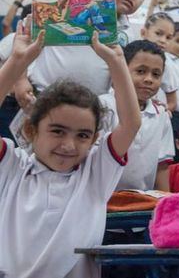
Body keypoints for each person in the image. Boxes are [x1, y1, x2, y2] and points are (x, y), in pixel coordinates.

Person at [0, 19, 141, 278]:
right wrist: (18, 60)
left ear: (94, 138)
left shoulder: (94, 174)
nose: (68, 145)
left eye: (83, 135)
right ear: (32, 130)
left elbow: (131, 124)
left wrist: (117, 61)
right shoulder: (12, 167)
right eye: (57, 131)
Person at [13, 0, 151, 108]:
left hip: (90, 109)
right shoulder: (58, 11)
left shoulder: (128, 34)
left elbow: (122, 76)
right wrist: (20, 80)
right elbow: (23, 46)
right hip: (41, 96)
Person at [99, 40, 174, 191]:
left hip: (142, 201)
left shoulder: (161, 115)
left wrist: (165, 204)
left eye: (156, 74)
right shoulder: (104, 106)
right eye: (140, 71)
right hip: (104, 198)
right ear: (122, 71)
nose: (149, 79)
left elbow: (162, 166)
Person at [140, 12, 178, 112]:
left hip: (149, 118)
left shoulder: (166, 66)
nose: (163, 40)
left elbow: (172, 103)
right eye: (158, 33)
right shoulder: (129, 56)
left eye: (168, 37)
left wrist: (162, 111)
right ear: (144, 33)